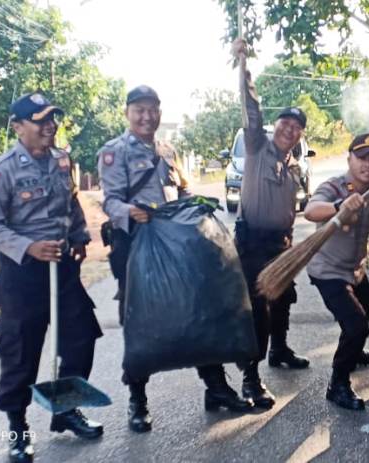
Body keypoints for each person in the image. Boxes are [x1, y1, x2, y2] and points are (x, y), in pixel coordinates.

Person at [98, 85, 253, 433]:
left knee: (199, 311)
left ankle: (216, 387)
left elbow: (182, 189)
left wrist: (193, 203)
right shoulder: (114, 151)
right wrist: (131, 212)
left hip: (177, 246)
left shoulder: (167, 150)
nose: (147, 116)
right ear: (127, 113)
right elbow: (110, 201)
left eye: (152, 109)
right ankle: (138, 401)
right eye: (139, 109)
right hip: (137, 246)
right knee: (140, 322)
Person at [0, 93, 103, 462]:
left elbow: (72, 201)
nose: (50, 125)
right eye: (40, 120)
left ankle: (65, 409)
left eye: (53, 119)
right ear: (18, 126)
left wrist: (79, 235)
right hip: (23, 275)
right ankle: (18, 428)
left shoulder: (62, 161)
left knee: (82, 338)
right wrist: (29, 247)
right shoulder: (0, 170)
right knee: (21, 352)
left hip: (63, 268)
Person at [231, 38, 310, 410]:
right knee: (256, 311)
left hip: (280, 243)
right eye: (285, 123)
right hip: (251, 244)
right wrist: (244, 67)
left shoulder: (295, 166)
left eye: (296, 127)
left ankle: (279, 350)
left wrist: (291, 243)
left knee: (283, 300)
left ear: (300, 135)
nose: (289, 130)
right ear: (275, 125)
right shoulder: (255, 145)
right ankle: (250, 377)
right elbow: (250, 111)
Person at [304, 133, 369, 410]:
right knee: (356, 325)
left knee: (365, 310)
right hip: (327, 269)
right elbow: (310, 210)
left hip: (355, 270)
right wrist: (337, 207)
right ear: (349, 159)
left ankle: (353, 355)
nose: (367, 164)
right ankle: (338, 385)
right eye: (361, 157)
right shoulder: (334, 187)